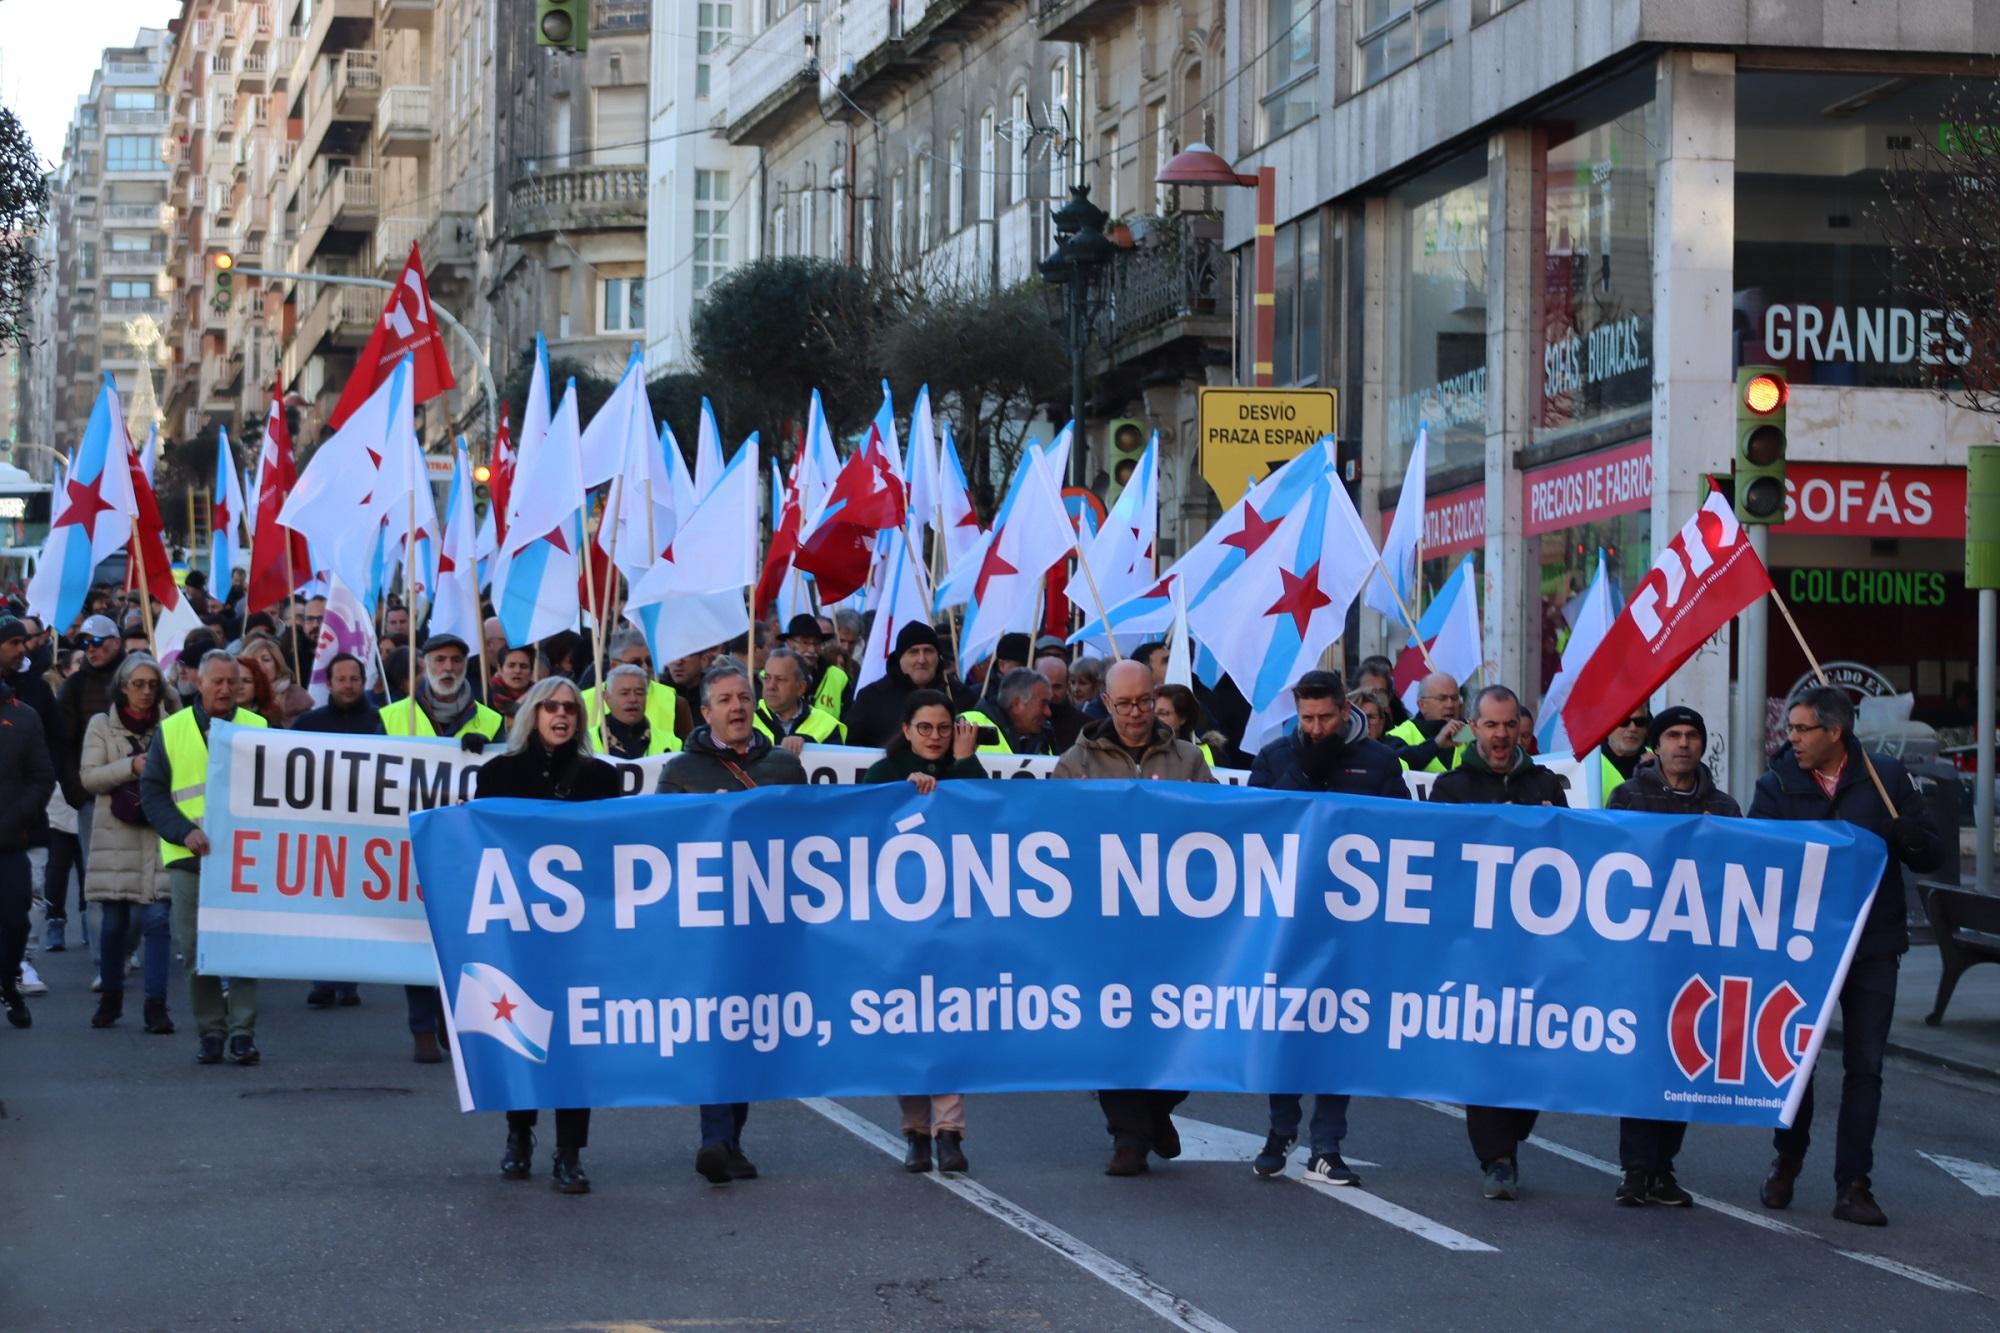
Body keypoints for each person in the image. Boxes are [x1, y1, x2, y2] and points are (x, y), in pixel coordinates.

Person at [1752, 685, 1942, 1227]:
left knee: (1866, 1068)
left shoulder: (1886, 778)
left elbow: (1930, 853)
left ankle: (1854, 1184)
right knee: (1797, 1063)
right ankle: (1786, 1161)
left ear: (1835, 732)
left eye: (1802, 730)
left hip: (1872, 946)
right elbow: (1756, 857)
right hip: (1800, 949)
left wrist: (1903, 833)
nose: (1791, 739)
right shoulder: (1776, 783)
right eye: (1789, 730)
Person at [1053, 659, 1215, 1175]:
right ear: (1105, 701)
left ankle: (1156, 1110)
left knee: (1184, 1023)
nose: (1135, 712)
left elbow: (1222, 830)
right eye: (1123, 703)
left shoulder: (1188, 759)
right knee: (1116, 1025)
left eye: (1144, 701)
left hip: (1175, 922)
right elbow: (1054, 837)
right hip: (1106, 924)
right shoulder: (1075, 764)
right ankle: (1128, 1136)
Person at [1245, 670, 1408, 1185]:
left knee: (1338, 1029)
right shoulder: (1275, 758)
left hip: (1352, 925)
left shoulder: (1380, 762)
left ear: (1346, 710)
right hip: (1288, 920)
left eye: (1325, 717)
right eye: (1306, 718)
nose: (1315, 728)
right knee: (1286, 1026)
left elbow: (1405, 835)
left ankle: (1327, 1143)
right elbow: (1251, 835)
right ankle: (1280, 1129)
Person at [658, 662, 808, 1184]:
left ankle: (731, 1138)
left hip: (766, 921)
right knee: (716, 1025)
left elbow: (812, 839)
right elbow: (658, 844)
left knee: (747, 1027)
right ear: (706, 712)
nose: (738, 708)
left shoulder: (784, 769)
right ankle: (714, 1136)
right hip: (707, 922)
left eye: (744, 697)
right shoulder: (681, 771)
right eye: (725, 700)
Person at [475, 675, 623, 1195]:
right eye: (550, 707)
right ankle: (519, 1134)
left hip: (579, 934)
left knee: (573, 1042)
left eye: (570, 708)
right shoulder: (497, 775)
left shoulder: (600, 778)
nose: (561, 715)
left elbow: (612, 853)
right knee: (518, 1033)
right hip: (517, 931)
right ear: (532, 714)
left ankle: (570, 1151)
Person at [1428, 685, 1566, 1200]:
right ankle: (1497, 1157)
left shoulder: (1545, 783)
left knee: (1530, 1045)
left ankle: (1513, 1131)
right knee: (1486, 1047)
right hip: (1476, 944)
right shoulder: (1452, 787)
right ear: (1474, 727)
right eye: (1491, 725)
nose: (1502, 735)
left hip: (1533, 944)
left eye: (1510, 725)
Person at [1602, 705, 1739, 1207]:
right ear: (1655, 746)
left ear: (1703, 745)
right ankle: (1636, 1169)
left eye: (1692, 736)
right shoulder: (1629, 797)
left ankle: (1663, 1166)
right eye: (1673, 735)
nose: (1683, 744)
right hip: (1641, 955)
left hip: (1696, 958)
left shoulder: (1724, 808)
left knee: (1683, 1061)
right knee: (1643, 1061)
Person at [862, 689, 985, 1174]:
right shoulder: (885, 774)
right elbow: (866, 833)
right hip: (899, 925)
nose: (935, 737)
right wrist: (901, 796)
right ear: (907, 729)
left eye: (943, 727)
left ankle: (950, 1133)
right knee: (905, 1027)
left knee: (949, 1023)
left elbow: (982, 816)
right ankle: (916, 1132)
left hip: (953, 919)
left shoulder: (961, 763)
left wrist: (963, 763)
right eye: (925, 728)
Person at [138, 651, 270, 1065]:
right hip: (188, 858)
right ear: (199, 682)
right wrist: (184, 832)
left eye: (233, 682)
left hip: (245, 860)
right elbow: (153, 794)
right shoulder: (171, 731)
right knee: (197, 950)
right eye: (217, 682)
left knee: (243, 946)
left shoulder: (260, 728)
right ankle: (211, 1031)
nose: (226, 690)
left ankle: (242, 1033)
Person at [80, 653, 175, 1033]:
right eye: (138, 684)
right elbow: (90, 778)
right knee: (115, 922)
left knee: (156, 920)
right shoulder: (102, 725)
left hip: (156, 834)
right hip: (116, 834)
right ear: (122, 687)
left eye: (153, 685)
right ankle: (111, 998)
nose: (146, 692)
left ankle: (156, 1005)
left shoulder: (171, 727)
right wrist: (131, 767)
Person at [293, 654, 383, 1014]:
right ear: (327, 684)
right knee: (322, 907)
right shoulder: (308, 725)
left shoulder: (382, 723)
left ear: (365, 683)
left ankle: (349, 981)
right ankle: (323, 981)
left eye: (354, 679)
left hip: (366, 831)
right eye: (341, 679)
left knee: (357, 907)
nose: (348, 685)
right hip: (321, 830)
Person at [0, 618, 56, 1029]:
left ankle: (8, 981)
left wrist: (17, 816)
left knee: (17, 918)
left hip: (9, 841)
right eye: (13, 642)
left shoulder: (25, 716)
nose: (23, 648)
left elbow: (42, 776)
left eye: (24, 641)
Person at [55, 613, 126, 940]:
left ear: (115, 642)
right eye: (85, 643)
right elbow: (63, 743)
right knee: (95, 872)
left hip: (131, 792)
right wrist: (77, 790)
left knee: (131, 872)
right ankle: (102, 952)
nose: (91, 649)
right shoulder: (74, 685)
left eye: (97, 641)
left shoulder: (132, 678)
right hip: (91, 795)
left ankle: (126, 944)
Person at [846, 621, 964, 749]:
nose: (922, 660)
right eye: (913, 652)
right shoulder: (870, 697)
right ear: (899, 658)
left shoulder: (959, 694)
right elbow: (852, 749)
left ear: (938, 656)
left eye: (928, 651)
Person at [382, 633, 504, 746]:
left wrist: (489, 749)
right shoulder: (391, 716)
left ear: (465, 665)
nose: (449, 667)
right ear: (426, 664)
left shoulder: (491, 720)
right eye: (440, 660)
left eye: (456, 660)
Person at [581, 631, 684, 746]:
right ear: (614, 666)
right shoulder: (583, 701)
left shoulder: (674, 701)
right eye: (636, 663)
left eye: (649, 662)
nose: (645, 668)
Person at [753, 647, 845, 752]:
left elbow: (836, 764)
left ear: (801, 688)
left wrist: (808, 744)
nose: (771, 686)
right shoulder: (748, 721)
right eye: (767, 678)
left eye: (780, 679)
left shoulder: (828, 726)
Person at [1385, 671, 1468, 772]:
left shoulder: (1470, 731)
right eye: (1442, 699)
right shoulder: (1399, 735)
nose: (1450, 705)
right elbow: (1391, 765)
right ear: (1422, 705)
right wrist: (1435, 745)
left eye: (1454, 698)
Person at [960, 668, 1055, 756]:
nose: (1048, 712)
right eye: (1043, 704)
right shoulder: (967, 724)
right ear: (1017, 704)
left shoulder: (1045, 739)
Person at [594, 663, 680, 757]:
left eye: (639, 693)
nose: (633, 699)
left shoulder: (672, 744)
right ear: (606, 697)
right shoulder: (586, 743)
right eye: (624, 693)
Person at [783, 613, 851, 721]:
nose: (812, 650)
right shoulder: (769, 677)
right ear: (790, 643)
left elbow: (848, 722)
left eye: (817, 643)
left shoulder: (838, 678)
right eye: (805, 643)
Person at [239, 633, 314, 726]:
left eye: (266, 660)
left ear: (277, 665)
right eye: (253, 660)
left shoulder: (296, 697)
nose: (259, 665)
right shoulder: (239, 695)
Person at [1154, 683, 1224, 766]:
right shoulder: (1140, 749)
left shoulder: (1208, 753)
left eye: (1163, 713)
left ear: (1183, 718)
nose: (1155, 719)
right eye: (1152, 713)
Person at [1598, 708, 1649, 798]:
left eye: (1640, 722)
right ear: (1608, 724)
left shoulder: (1662, 760)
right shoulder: (1588, 764)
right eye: (1624, 721)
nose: (1633, 728)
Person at [234, 655, 284, 728]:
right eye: (234, 681)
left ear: (257, 684)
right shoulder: (217, 716)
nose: (240, 686)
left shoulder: (271, 719)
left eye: (246, 681)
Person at [487, 646, 536, 719]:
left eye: (523, 666)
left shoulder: (542, 698)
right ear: (500, 669)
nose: (517, 671)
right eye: (511, 666)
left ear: (531, 671)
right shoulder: (486, 701)